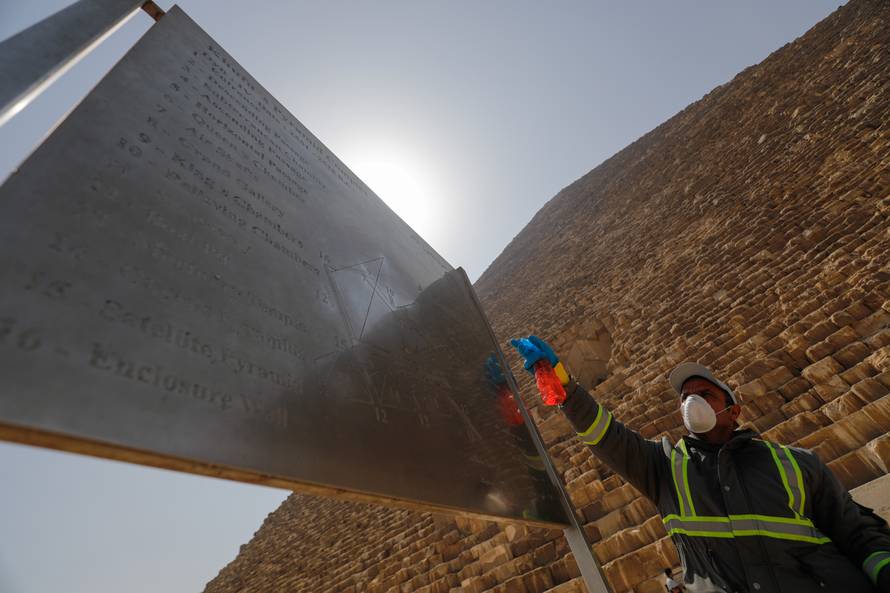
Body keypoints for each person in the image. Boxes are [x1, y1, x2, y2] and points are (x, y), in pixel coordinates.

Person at [510, 335, 890, 593]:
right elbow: (604, 434)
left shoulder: (796, 463)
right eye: (685, 397)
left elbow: (856, 532)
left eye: (705, 394)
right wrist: (560, 381)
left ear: (733, 409)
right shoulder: (665, 469)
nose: (692, 402)